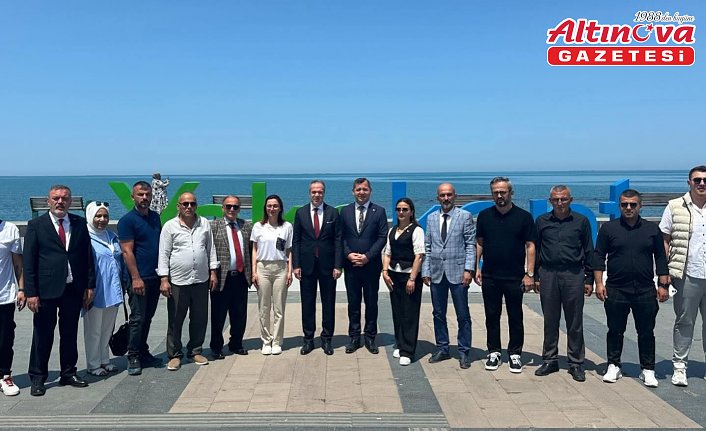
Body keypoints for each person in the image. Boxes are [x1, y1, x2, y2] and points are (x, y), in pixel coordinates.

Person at [24, 185, 95, 396]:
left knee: (69, 333)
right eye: (56, 198)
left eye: (64, 198)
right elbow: (29, 261)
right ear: (48, 201)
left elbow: (87, 256)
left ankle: (68, 373)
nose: (60, 202)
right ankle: (38, 377)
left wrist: (89, 285)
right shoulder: (36, 225)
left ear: (70, 201)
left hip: (73, 288)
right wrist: (31, 292)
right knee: (42, 334)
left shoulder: (79, 223)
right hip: (45, 290)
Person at [595, 189, 669, 388]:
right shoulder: (608, 229)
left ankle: (648, 369)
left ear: (640, 206)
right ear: (619, 206)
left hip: (645, 289)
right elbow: (598, 256)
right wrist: (599, 283)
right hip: (616, 288)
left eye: (633, 204)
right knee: (615, 330)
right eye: (624, 204)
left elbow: (660, 258)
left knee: (646, 331)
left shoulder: (651, 229)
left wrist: (663, 285)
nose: (628, 208)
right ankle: (613, 365)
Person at [475, 176, 536, 374]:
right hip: (490, 275)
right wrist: (476, 267)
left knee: (515, 316)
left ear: (511, 193)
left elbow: (530, 246)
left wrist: (529, 274)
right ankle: (493, 352)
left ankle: (515, 353)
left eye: (503, 192)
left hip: (515, 276)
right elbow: (480, 243)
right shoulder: (484, 216)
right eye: (496, 192)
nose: (499, 195)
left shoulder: (524, 217)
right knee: (491, 316)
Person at [534, 185, 594, 382]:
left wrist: (589, 278)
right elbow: (535, 249)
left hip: (573, 274)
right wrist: (535, 276)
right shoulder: (541, 221)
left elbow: (589, 249)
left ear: (571, 200)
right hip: (548, 273)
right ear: (550, 201)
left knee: (574, 320)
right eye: (555, 199)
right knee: (550, 319)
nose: (559, 203)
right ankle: (550, 360)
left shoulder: (581, 221)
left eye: (563, 199)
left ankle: (576, 363)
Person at [158, 192, 218, 370]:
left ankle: (195, 351)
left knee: (199, 318)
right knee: (176, 319)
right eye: (185, 204)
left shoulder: (204, 223)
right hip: (178, 281)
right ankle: (174, 354)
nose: (189, 207)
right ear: (178, 206)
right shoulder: (170, 226)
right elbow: (164, 254)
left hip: (201, 279)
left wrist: (213, 272)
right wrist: (164, 279)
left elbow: (210, 249)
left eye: (192, 203)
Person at [661, 165, 706, 386]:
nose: (702, 183)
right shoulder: (674, 206)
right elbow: (665, 239)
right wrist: (665, 272)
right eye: (697, 180)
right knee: (684, 321)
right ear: (689, 182)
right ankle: (680, 366)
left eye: (705, 180)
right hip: (687, 274)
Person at [422, 183, 476, 369]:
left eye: (449, 195)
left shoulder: (465, 216)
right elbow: (428, 246)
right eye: (442, 195)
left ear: (455, 196)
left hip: (458, 273)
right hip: (437, 273)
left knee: (463, 314)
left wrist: (469, 270)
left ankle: (464, 351)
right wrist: (426, 271)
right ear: (438, 197)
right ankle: (442, 348)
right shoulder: (431, 218)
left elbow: (470, 245)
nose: (446, 198)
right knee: (438, 313)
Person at [292, 180, 343, 355]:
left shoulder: (333, 213)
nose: (317, 195)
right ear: (309, 193)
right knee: (307, 304)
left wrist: (338, 265)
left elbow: (338, 240)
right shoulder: (300, 213)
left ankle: (327, 339)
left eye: (320, 192)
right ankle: (308, 339)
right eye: (314, 192)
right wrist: (296, 265)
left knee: (328, 303)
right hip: (306, 266)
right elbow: (296, 240)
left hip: (328, 267)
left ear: (324, 193)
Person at [118, 181, 163, 376]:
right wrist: (136, 278)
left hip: (154, 276)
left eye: (147, 194)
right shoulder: (127, 221)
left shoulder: (155, 217)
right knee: (137, 318)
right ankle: (133, 355)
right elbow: (127, 251)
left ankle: (143, 351)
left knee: (148, 317)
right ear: (133, 197)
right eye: (140, 194)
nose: (144, 198)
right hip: (139, 279)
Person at [341, 178, 388, 354]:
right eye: (358, 189)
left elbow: (382, 237)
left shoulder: (379, 211)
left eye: (365, 189)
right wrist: (348, 254)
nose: (362, 192)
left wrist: (368, 256)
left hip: (371, 266)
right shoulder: (345, 211)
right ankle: (354, 337)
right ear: (353, 191)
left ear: (370, 191)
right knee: (353, 304)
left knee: (371, 303)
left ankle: (370, 337)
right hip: (351, 266)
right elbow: (340, 237)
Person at [83, 201, 124, 376]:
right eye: (98, 216)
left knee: (107, 328)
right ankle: (93, 364)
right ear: (90, 216)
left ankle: (105, 360)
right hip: (95, 291)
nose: (102, 219)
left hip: (113, 289)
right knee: (94, 330)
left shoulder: (112, 236)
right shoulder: (85, 237)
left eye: (105, 216)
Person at [382, 198, 424, 366]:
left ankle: (408, 350)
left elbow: (419, 256)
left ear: (411, 212)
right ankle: (400, 344)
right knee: (397, 312)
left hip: (409, 276)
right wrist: (385, 272)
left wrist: (412, 278)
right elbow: (388, 252)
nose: (401, 212)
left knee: (409, 313)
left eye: (405, 209)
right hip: (394, 275)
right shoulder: (392, 230)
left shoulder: (417, 230)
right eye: (398, 209)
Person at [209, 195, 252, 359]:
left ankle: (236, 344)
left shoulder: (245, 226)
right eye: (228, 206)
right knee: (218, 315)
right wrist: (211, 272)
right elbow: (209, 250)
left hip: (240, 277)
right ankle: (216, 347)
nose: (232, 209)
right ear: (223, 208)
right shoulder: (214, 226)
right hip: (221, 277)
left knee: (239, 314)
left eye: (235, 207)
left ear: (239, 209)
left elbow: (251, 250)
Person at [251, 195, 293, 355]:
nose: (272, 209)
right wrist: (254, 271)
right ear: (265, 208)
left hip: (280, 268)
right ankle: (266, 341)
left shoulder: (287, 226)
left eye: (275, 206)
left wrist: (289, 271)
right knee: (264, 307)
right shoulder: (258, 226)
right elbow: (254, 249)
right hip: (263, 268)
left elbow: (289, 250)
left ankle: (277, 341)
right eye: (269, 206)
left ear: (280, 208)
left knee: (279, 307)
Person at [0, 219, 24, 396]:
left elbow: (18, 263)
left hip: (4, 296)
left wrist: (21, 289)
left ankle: (4, 375)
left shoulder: (10, 229)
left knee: (5, 338)